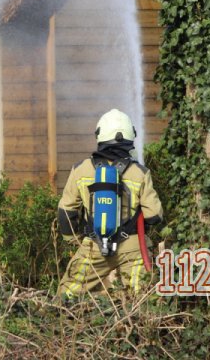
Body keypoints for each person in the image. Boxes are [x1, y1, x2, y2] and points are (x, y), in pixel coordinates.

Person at [57, 109, 162, 298]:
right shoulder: (140, 172)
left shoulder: (80, 170)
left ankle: (61, 323)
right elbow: (154, 215)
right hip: (133, 247)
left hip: (93, 246)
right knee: (142, 299)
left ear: (100, 136)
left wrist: (75, 241)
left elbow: (66, 211)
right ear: (131, 137)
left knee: (68, 294)